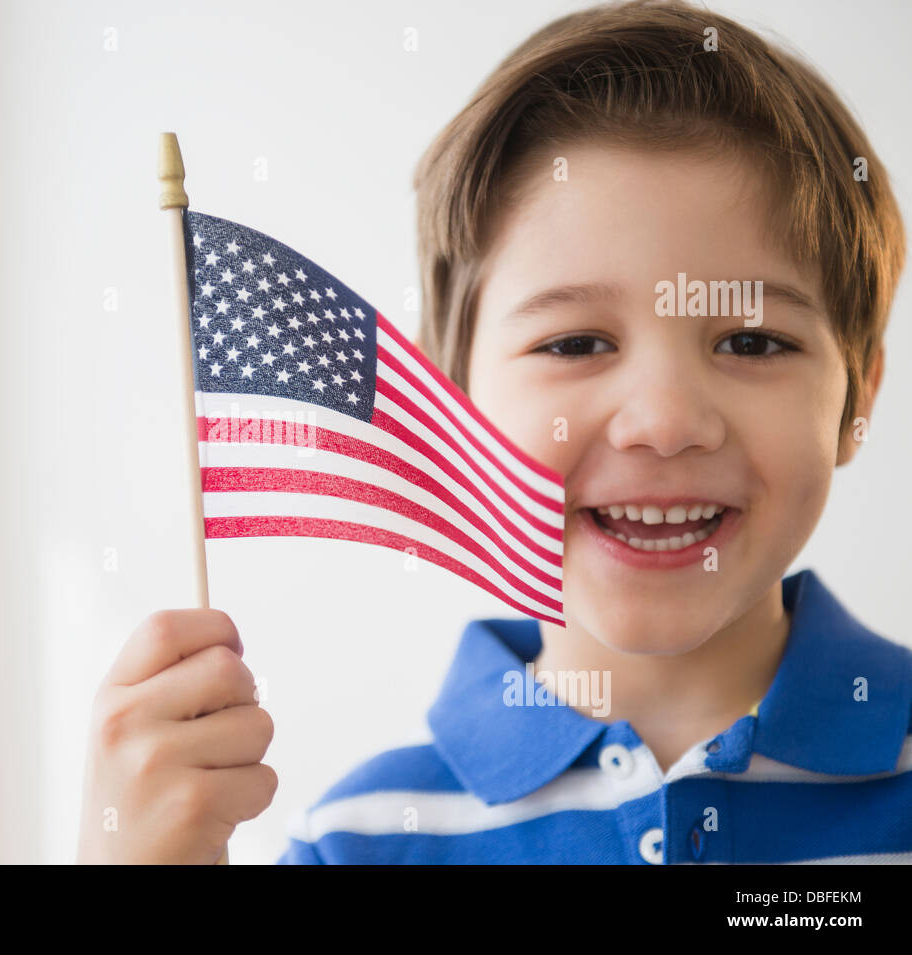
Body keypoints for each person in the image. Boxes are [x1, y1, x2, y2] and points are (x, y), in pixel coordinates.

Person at [76, 0, 909, 864]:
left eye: (750, 341)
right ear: (453, 395)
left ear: (860, 397)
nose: (664, 423)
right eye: (576, 343)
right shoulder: (360, 840)